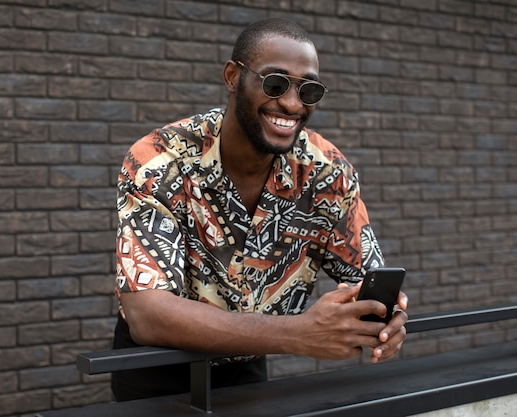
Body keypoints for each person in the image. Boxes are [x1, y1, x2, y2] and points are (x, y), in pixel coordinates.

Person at [112, 17, 408, 401]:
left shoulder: (326, 173)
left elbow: (367, 278)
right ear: (233, 77)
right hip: (156, 368)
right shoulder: (158, 162)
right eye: (275, 83)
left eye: (309, 89)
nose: (291, 103)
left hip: (248, 365)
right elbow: (148, 316)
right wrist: (301, 333)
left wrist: (382, 319)